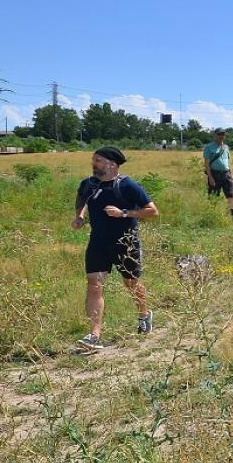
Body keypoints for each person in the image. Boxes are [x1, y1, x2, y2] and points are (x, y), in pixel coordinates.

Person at [72, 146, 158, 353]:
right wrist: (80, 217)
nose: (94, 164)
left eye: (98, 160)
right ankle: (94, 335)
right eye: (93, 160)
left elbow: (152, 211)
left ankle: (144, 315)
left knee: (131, 283)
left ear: (112, 164)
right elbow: (82, 200)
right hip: (98, 242)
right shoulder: (88, 184)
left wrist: (124, 213)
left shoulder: (127, 185)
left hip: (126, 242)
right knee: (94, 284)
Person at [202, 128, 233, 222]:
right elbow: (206, 164)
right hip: (214, 174)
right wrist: (210, 177)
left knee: (231, 195)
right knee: (213, 196)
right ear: (215, 135)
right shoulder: (209, 147)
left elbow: (227, 162)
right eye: (219, 134)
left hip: (226, 174)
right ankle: (212, 217)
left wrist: (231, 174)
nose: (221, 136)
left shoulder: (226, 147)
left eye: (223, 134)